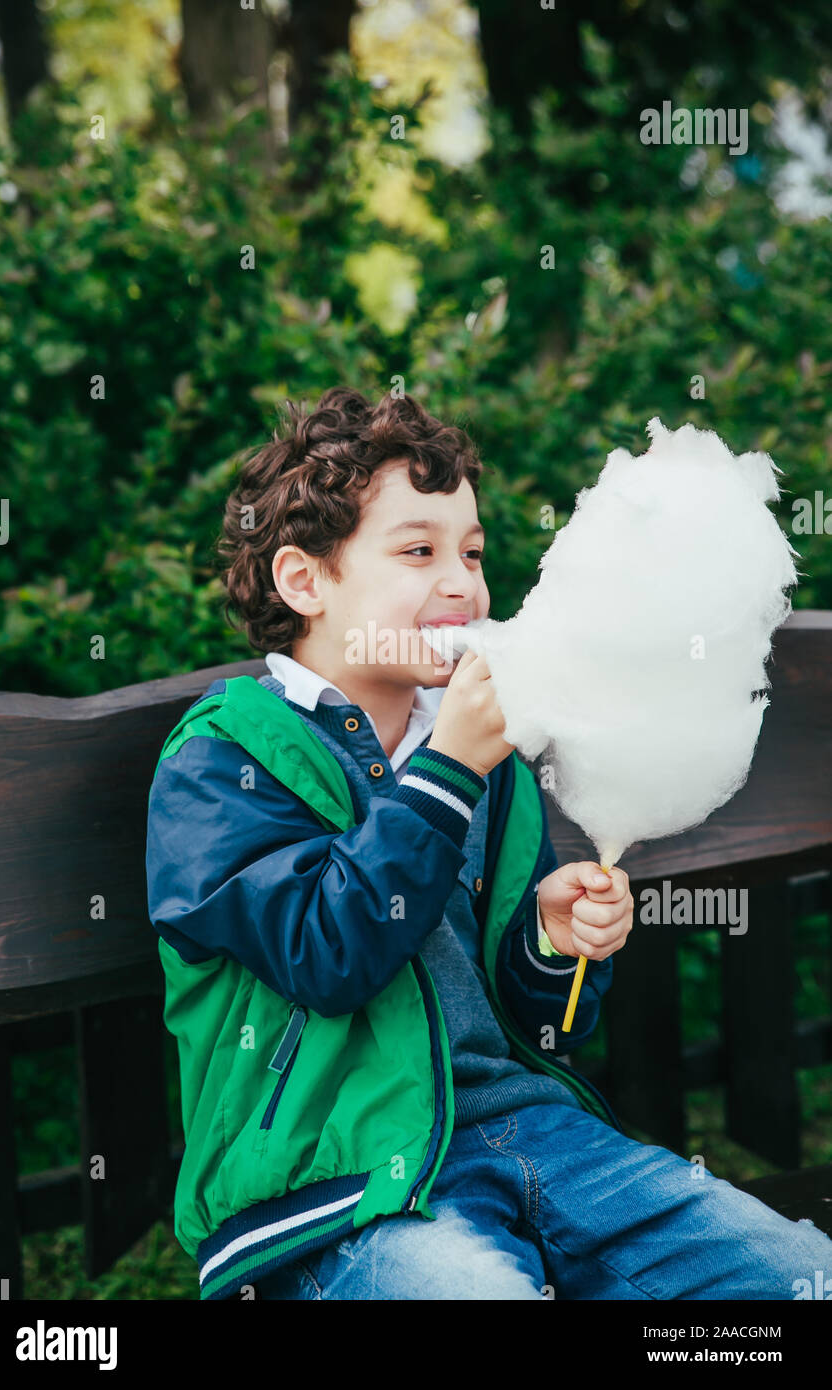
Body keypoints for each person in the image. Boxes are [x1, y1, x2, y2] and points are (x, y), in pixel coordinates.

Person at [145, 386, 832, 1300]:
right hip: (344, 1188)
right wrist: (447, 772)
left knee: (800, 1280)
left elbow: (544, 1027)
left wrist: (554, 941)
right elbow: (324, 956)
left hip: (532, 1135)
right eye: (418, 551)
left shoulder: (485, 756)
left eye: (472, 552)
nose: (464, 583)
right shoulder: (223, 760)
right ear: (305, 581)